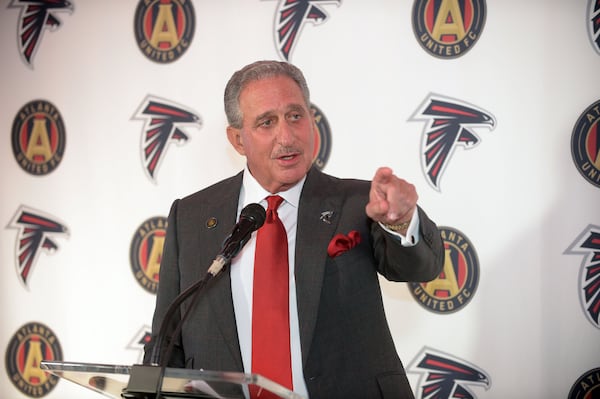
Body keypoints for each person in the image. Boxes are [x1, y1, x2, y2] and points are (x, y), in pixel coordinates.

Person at [144, 60, 444, 399]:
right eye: (267, 122)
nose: (286, 136)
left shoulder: (358, 202)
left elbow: (421, 266)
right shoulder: (192, 217)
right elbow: (168, 342)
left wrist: (400, 221)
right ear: (238, 139)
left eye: (295, 116)